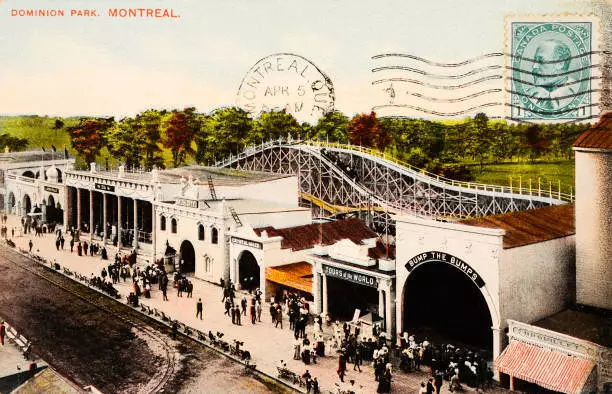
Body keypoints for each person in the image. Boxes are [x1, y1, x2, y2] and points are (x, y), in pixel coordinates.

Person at [526, 39, 580, 111]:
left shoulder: (579, 92)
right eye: (534, 61)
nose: (534, 66)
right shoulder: (528, 95)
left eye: (541, 61)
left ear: (560, 63)